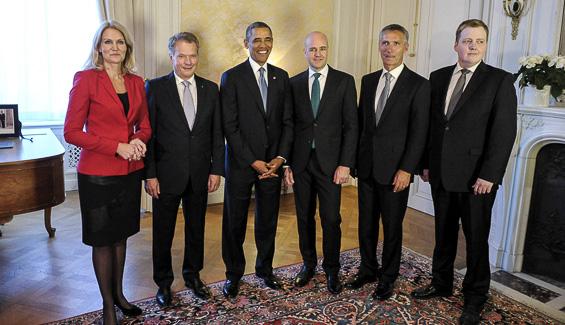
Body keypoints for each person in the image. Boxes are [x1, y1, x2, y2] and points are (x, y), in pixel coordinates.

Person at [410, 19, 517, 325]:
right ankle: (441, 283)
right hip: (442, 173)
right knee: (442, 234)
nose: (473, 46)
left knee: (476, 239)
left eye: (479, 41)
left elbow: (503, 133)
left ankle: (475, 297)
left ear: (485, 46)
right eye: (467, 40)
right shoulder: (438, 76)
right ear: (456, 44)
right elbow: (433, 126)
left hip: (476, 180)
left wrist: (490, 175)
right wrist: (426, 163)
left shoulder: (499, 81)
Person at [64, 20, 151, 325]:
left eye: (120, 42)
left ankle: (119, 294)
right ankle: (107, 305)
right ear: (99, 47)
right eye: (109, 42)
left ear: (127, 48)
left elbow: (145, 124)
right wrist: (116, 146)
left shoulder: (137, 82)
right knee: (103, 240)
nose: (115, 48)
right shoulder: (86, 79)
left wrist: (139, 140)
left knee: (121, 237)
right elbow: (72, 132)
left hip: (129, 172)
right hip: (97, 175)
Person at [346, 24, 430, 300]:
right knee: (366, 223)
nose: (389, 48)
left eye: (395, 43)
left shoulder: (419, 85)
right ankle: (367, 268)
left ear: (406, 47)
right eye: (384, 43)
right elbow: (362, 125)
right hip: (367, 167)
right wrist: (355, 162)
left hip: (397, 172)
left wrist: (407, 169)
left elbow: (419, 133)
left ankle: (389, 276)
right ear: (379, 46)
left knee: (392, 227)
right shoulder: (368, 81)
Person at [144, 32, 224, 306]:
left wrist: (217, 169)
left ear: (197, 56)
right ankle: (163, 283)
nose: (188, 61)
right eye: (182, 56)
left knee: (196, 228)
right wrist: (150, 173)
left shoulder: (210, 89)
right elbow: (148, 136)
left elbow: (217, 134)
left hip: (201, 173)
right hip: (165, 175)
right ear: (172, 57)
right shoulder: (154, 88)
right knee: (163, 231)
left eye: (192, 56)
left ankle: (193, 276)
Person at [220, 21, 293, 298]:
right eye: (257, 40)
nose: (263, 45)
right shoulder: (232, 77)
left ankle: (265, 269)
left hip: (272, 164)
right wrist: (253, 160)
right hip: (241, 162)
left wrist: (279, 157)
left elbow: (287, 122)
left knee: (268, 220)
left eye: (267, 39)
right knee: (234, 221)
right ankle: (233, 275)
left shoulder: (281, 76)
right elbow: (230, 126)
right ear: (246, 44)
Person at [284, 31, 357, 294]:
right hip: (301, 164)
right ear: (304, 52)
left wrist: (346, 163)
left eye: (322, 49)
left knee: (331, 219)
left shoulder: (344, 81)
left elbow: (351, 126)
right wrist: (287, 164)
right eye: (313, 49)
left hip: (331, 165)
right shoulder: (293, 84)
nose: (318, 53)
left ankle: (332, 270)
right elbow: (289, 126)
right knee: (304, 217)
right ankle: (308, 265)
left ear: (328, 51)